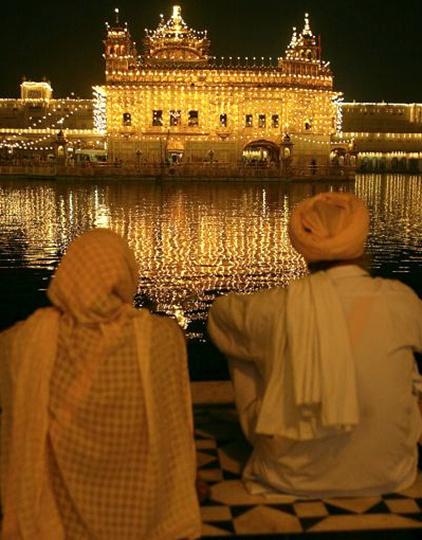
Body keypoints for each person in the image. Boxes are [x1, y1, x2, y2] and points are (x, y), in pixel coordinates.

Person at [208, 192, 422, 498]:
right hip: (393, 471)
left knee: (244, 342)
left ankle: (289, 430)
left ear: (304, 245)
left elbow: (219, 319)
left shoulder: (275, 306)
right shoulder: (400, 299)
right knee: (402, 355)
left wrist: (281, 340)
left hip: (288, 475)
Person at [0, 229, 201, 539]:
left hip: (59, 515)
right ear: (125, 274)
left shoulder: (23, 342)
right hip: (140, 513)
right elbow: (174, 427)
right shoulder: (162, 339)